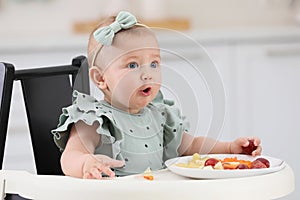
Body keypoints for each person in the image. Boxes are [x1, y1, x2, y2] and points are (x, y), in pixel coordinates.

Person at [52, 11, 262, 179]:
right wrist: (85, 163)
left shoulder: (158, 114)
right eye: (132, 65)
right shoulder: (94, 119)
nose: (147, 74)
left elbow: (191, 146)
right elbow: (70, 156)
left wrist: (229, 148)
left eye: (154, 63)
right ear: (100, 78)